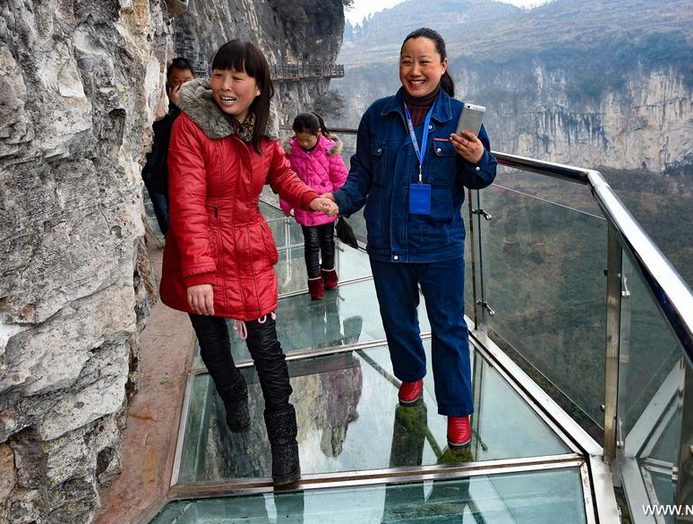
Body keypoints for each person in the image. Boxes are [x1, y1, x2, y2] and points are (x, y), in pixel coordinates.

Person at [159, 39, 336, 486]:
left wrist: (312, 197)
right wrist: (198, 272)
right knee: (213, 342)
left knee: (267, 349)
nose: (225, 85)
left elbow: (282, 175)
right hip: (199, 248)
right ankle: (232, 392)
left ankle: (283, 444)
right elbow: (186, 202)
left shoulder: (262, 131)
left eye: (237, 77)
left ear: (258, 86)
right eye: (219, 74)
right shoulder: (190, 127)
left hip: (249, 249)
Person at [325, 27, 497, 449]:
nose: (415, 70)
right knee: (398, 322)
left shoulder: (459, 118)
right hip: (387, 243)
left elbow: (483, 177)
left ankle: (458, 412)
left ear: (442, 66)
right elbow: (361, 174)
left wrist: (478, 159)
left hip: (439, 244)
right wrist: (338, 202)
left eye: (424, 62)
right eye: (407, 61)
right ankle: (412, 377)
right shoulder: (378, 115)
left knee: (449, 328)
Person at [279, 112, 349, 300]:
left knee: (327, 241)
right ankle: (315, 282)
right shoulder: (291, 152)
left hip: (326, 205)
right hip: (304, 206)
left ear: (318, 133)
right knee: (311, 244)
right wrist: (286, 204)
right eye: (300, 140)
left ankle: (329, 274)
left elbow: (340, 178)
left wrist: (338, 200)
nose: (304, 144)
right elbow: (286, 180)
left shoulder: (329, 150)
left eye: (308, 140)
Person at [141, 57, 196, 234]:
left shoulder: (201, 103)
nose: (182, 86)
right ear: (168, 82)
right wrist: (175, 105)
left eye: (187, 81)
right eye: (176, 82)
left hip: (184, 169)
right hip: (157, 169)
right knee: (164, 214)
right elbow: (160, 130)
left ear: (194, 79)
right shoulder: (161, 102)